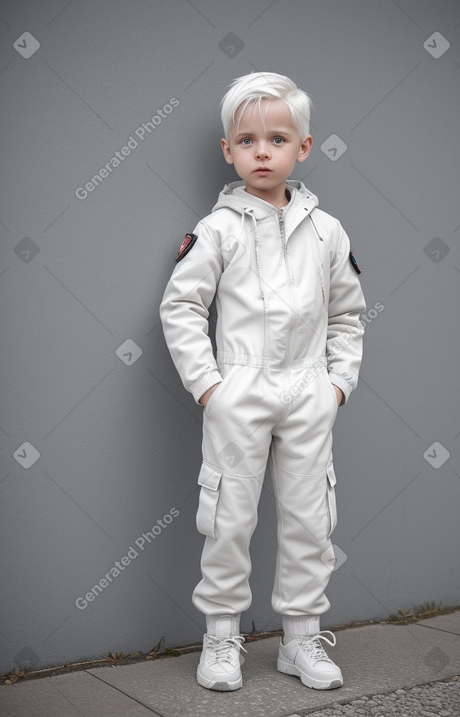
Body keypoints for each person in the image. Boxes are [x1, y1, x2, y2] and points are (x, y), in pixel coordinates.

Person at [160, 71, 365, 692]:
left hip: (308, 392)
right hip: (239, 391)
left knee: (310, 520)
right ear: (228, 151)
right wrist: (209, 388)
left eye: (277, 139)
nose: (262, 151)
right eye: (246, 140)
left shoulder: (326, 230)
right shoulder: (218, 229)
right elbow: (181, 307)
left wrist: (336, 386)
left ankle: (300, 640)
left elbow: (348, 315)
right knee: (228, 517)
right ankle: (221, 637)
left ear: (303, 148)